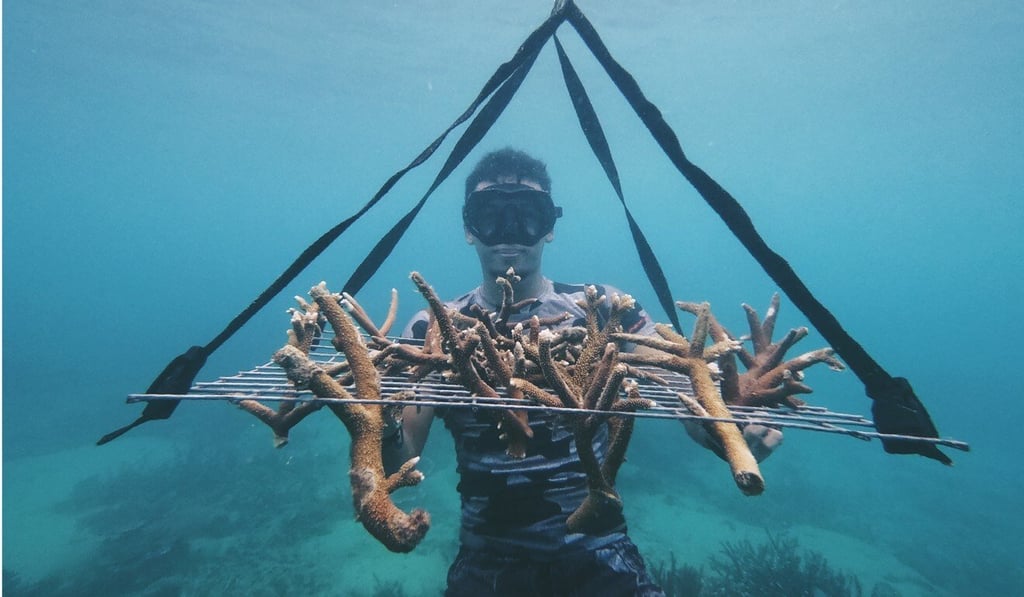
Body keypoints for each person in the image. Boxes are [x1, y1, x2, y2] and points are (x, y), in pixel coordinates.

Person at [383, 147, 775, 596]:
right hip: (487, 560)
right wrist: (379, 423)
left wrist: (725, 429)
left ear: (550, 226)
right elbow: (399, 458)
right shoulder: (433, 328)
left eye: (528, 215)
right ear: (469, 228)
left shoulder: (604, 309)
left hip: (601, 553)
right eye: (490, 215)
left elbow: (677, 388)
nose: (509, 232)